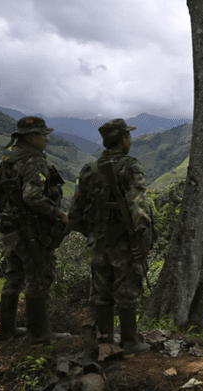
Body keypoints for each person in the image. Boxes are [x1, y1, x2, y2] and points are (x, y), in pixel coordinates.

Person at [69, 119, 154, 354]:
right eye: (129, 136)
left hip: (98, 242)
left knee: (101, 292)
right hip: (125, 243)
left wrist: (92, 232)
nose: (130, 140)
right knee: (127, 290)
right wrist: (143, 242)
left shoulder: (89, 170)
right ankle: (130, 342)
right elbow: (140, 207)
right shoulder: (130, 167)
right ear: (123, 140)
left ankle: (105, 341)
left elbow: (75, 213)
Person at [0, 116, 69, 343]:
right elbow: (32, 196)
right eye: (44, 136)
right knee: (39, 277)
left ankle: (7, 331)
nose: (46, 140)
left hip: (11, 230)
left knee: (13, 277)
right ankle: (39, 332)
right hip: (32, 230)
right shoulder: (34, 160)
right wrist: (59, 215)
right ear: (33, 137)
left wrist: (11, 213)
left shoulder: (6, 158)